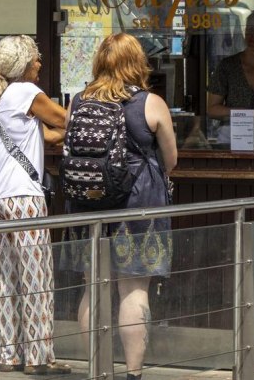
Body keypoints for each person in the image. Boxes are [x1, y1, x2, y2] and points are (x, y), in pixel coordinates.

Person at [68, 33, 178, 380]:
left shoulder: (77, 101)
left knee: (93, 287)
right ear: (137, 63)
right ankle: (132, 373)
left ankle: (97, 370)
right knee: (133, 290)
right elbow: (171, 160)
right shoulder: (150, 103)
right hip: (139, 205)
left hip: (88, 205)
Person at [0, 35, 71, 375]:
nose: (40, 63)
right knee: (37, 278)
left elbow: (44, 135)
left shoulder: (4, 96)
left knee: (6, 278)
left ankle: (9, 354)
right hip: (24, 197)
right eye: (36, 58)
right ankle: (37, 356)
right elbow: (62, 120)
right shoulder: (26, 92)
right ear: (22, 64)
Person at [207, 12, 254, 116]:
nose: (253, 36)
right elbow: (212, 109)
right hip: (234, 131)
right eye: (250, 30)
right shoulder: (228, 66)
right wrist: (243, 113)